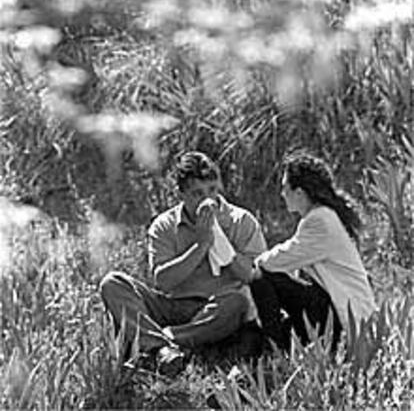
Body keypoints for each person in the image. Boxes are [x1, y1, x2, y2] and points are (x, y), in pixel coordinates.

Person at [100, 151, 267, 375]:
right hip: (174, 305)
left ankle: (163, 341)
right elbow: (164, 282)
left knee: (237, 302)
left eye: (212, 190)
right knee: (113, 283)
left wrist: (220, 241)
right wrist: (200, 245)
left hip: (218, 309)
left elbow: (252, 276)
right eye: (197, 194)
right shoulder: (165, 225)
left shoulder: (241, 221)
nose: (207, 199)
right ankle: (161, 349)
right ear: (181, 194)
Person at [251, 152, 377, 354]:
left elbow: (275, 261)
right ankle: (283, 341)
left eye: (285, 188)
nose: (282, 194)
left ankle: (274, 351)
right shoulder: (324, 215)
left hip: (344, 318)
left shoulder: (320, 220)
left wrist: (255, 263)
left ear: (299, 192)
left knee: (259, 277)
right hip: (336, 308)